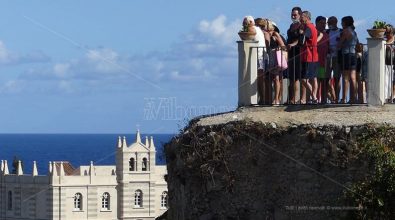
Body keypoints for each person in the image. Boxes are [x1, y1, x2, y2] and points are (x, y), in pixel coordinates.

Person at [243, 16, 267, 104]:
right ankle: (261, 98)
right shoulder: (257, 29)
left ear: (250, 22)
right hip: (259, 55)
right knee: (259, 78)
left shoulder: (253, 29)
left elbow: (245, 37)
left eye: (245, 23)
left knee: (259, 78)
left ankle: (263, 99)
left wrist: (244, 30)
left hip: (259, 56)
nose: (244, 25)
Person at [338, 16, 358, 104]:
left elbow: (340, 44)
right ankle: (354, 98)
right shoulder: (354, 32)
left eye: (342, 22)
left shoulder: (345, 31)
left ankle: (343, 98)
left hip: (346, 55)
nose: (341, 23)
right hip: (353, 54)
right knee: (353, 78)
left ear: (345, 22)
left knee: (345, 78)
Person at [299, 11, 319, 104]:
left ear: (307, 17)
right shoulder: (313, 27)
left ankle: (314, 97)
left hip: (308, 56)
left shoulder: (308, 27)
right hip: (314, 56)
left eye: (302, 16)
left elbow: (302, 41)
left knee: (303, 79)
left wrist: (301, 32)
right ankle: (314, 97)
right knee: (313, 78)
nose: (300, 18)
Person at [265, 20, 286, 105]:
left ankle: (276, 99)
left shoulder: (275, 34)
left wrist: (279, 48)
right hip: (269, 57)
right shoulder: (265, 34)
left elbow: (283, 46)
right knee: (269, 79)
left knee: (277, 79)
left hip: (276, 57)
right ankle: (270, 98)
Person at [287, 7, 303, 104]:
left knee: (296, 78)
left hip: (298, 53)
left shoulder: (301, 26)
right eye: (292, 14)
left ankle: (295, 99)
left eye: (295, 15)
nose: (293, 16)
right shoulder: (291, 26)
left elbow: (300, 39)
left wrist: (292, 44)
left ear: (300, 15)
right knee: (291, 78)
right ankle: (290, 98)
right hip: (290, 54)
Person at [326, 16, 342, 103]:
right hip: (327, 57)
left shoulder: (341, 31)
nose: (329, 24)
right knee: (325, 77)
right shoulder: (327, 32)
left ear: (336, 22)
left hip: (337, 57)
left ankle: (337, 97)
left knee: (337, 78)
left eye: (331, 22)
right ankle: (332, 96)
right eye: (329, 23)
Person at [316, 16, 330, 103]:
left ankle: (323, 100)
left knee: (323, 81)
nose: (324, 25)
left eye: (325, 24)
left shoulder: (326, 35)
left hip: (323, 63)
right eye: (322, 23)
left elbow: (328, 48)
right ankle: (315, 99)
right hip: (314, 62)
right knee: (315, 81)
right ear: (317, 23)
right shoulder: (314, 33)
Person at [385, 26, 395, 102]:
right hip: (386, 63)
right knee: (387, 81)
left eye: (388, 33)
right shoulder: (384, 41)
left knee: (392, 81)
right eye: (386, 33)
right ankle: (388, 97)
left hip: (393, 63)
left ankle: (392, 97)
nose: (386, 34)